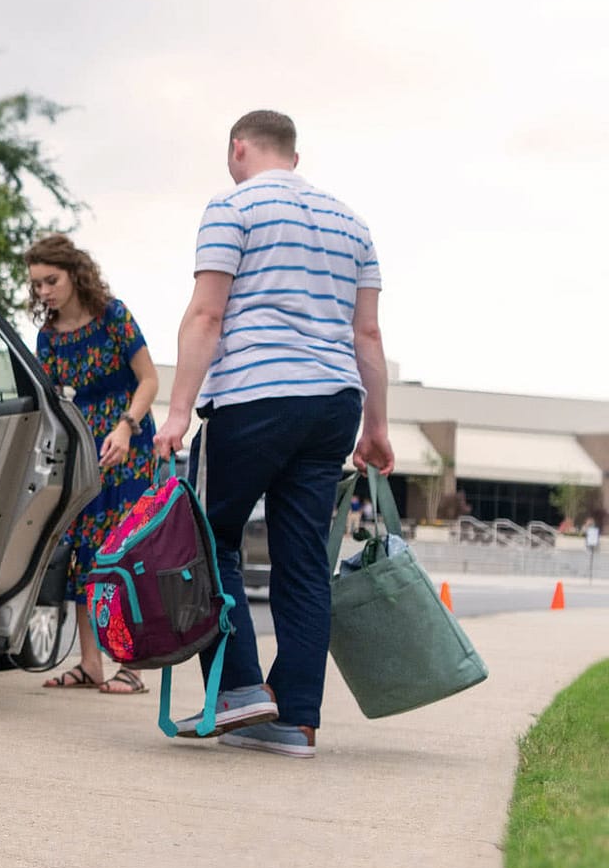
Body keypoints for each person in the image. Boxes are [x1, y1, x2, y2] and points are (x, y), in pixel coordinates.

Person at [153, 110, 394, 757]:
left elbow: (207, 312)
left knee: (206, 541)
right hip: (334, 402)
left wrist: (178, 412)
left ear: (239, 148)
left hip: (257, 396)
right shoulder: (353, 222)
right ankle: (294, 719)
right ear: (292, 152)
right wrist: (378, 427)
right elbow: (366, 334)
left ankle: (237, 693)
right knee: (302, 561)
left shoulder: (233, 207)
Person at [26, 235, 161, 695]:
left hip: (130, 445)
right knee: (85, 553)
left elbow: (149, 379)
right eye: (37, 284)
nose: (43, 291)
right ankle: (90, 664)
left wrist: (125, 426)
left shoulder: (113, 316)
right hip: (85, 452)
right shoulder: (48, 337)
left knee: (126, 555)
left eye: (51, 280)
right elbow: (49, 402)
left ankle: (133, 665)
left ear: (74, 273)